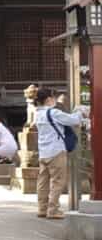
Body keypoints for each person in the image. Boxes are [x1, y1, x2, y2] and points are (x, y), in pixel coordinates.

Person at [34, 87, 87, 219]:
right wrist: (80, 111)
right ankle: (53, 210)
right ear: (48, 99)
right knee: (58, 181)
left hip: (43, 152)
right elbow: (73, 120)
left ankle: (42, 208)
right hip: (56, 151)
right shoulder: (53, 113)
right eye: (54, 97)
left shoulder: (38, 113)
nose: (55, 100)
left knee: (43, 181)